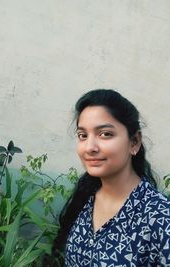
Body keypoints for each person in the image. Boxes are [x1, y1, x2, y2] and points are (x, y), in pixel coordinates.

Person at [52, 89, 170, 267]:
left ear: (134, 142)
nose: (89, 147)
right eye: (83, 136)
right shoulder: (86, 197)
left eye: (105, 134)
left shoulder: (160, 218)